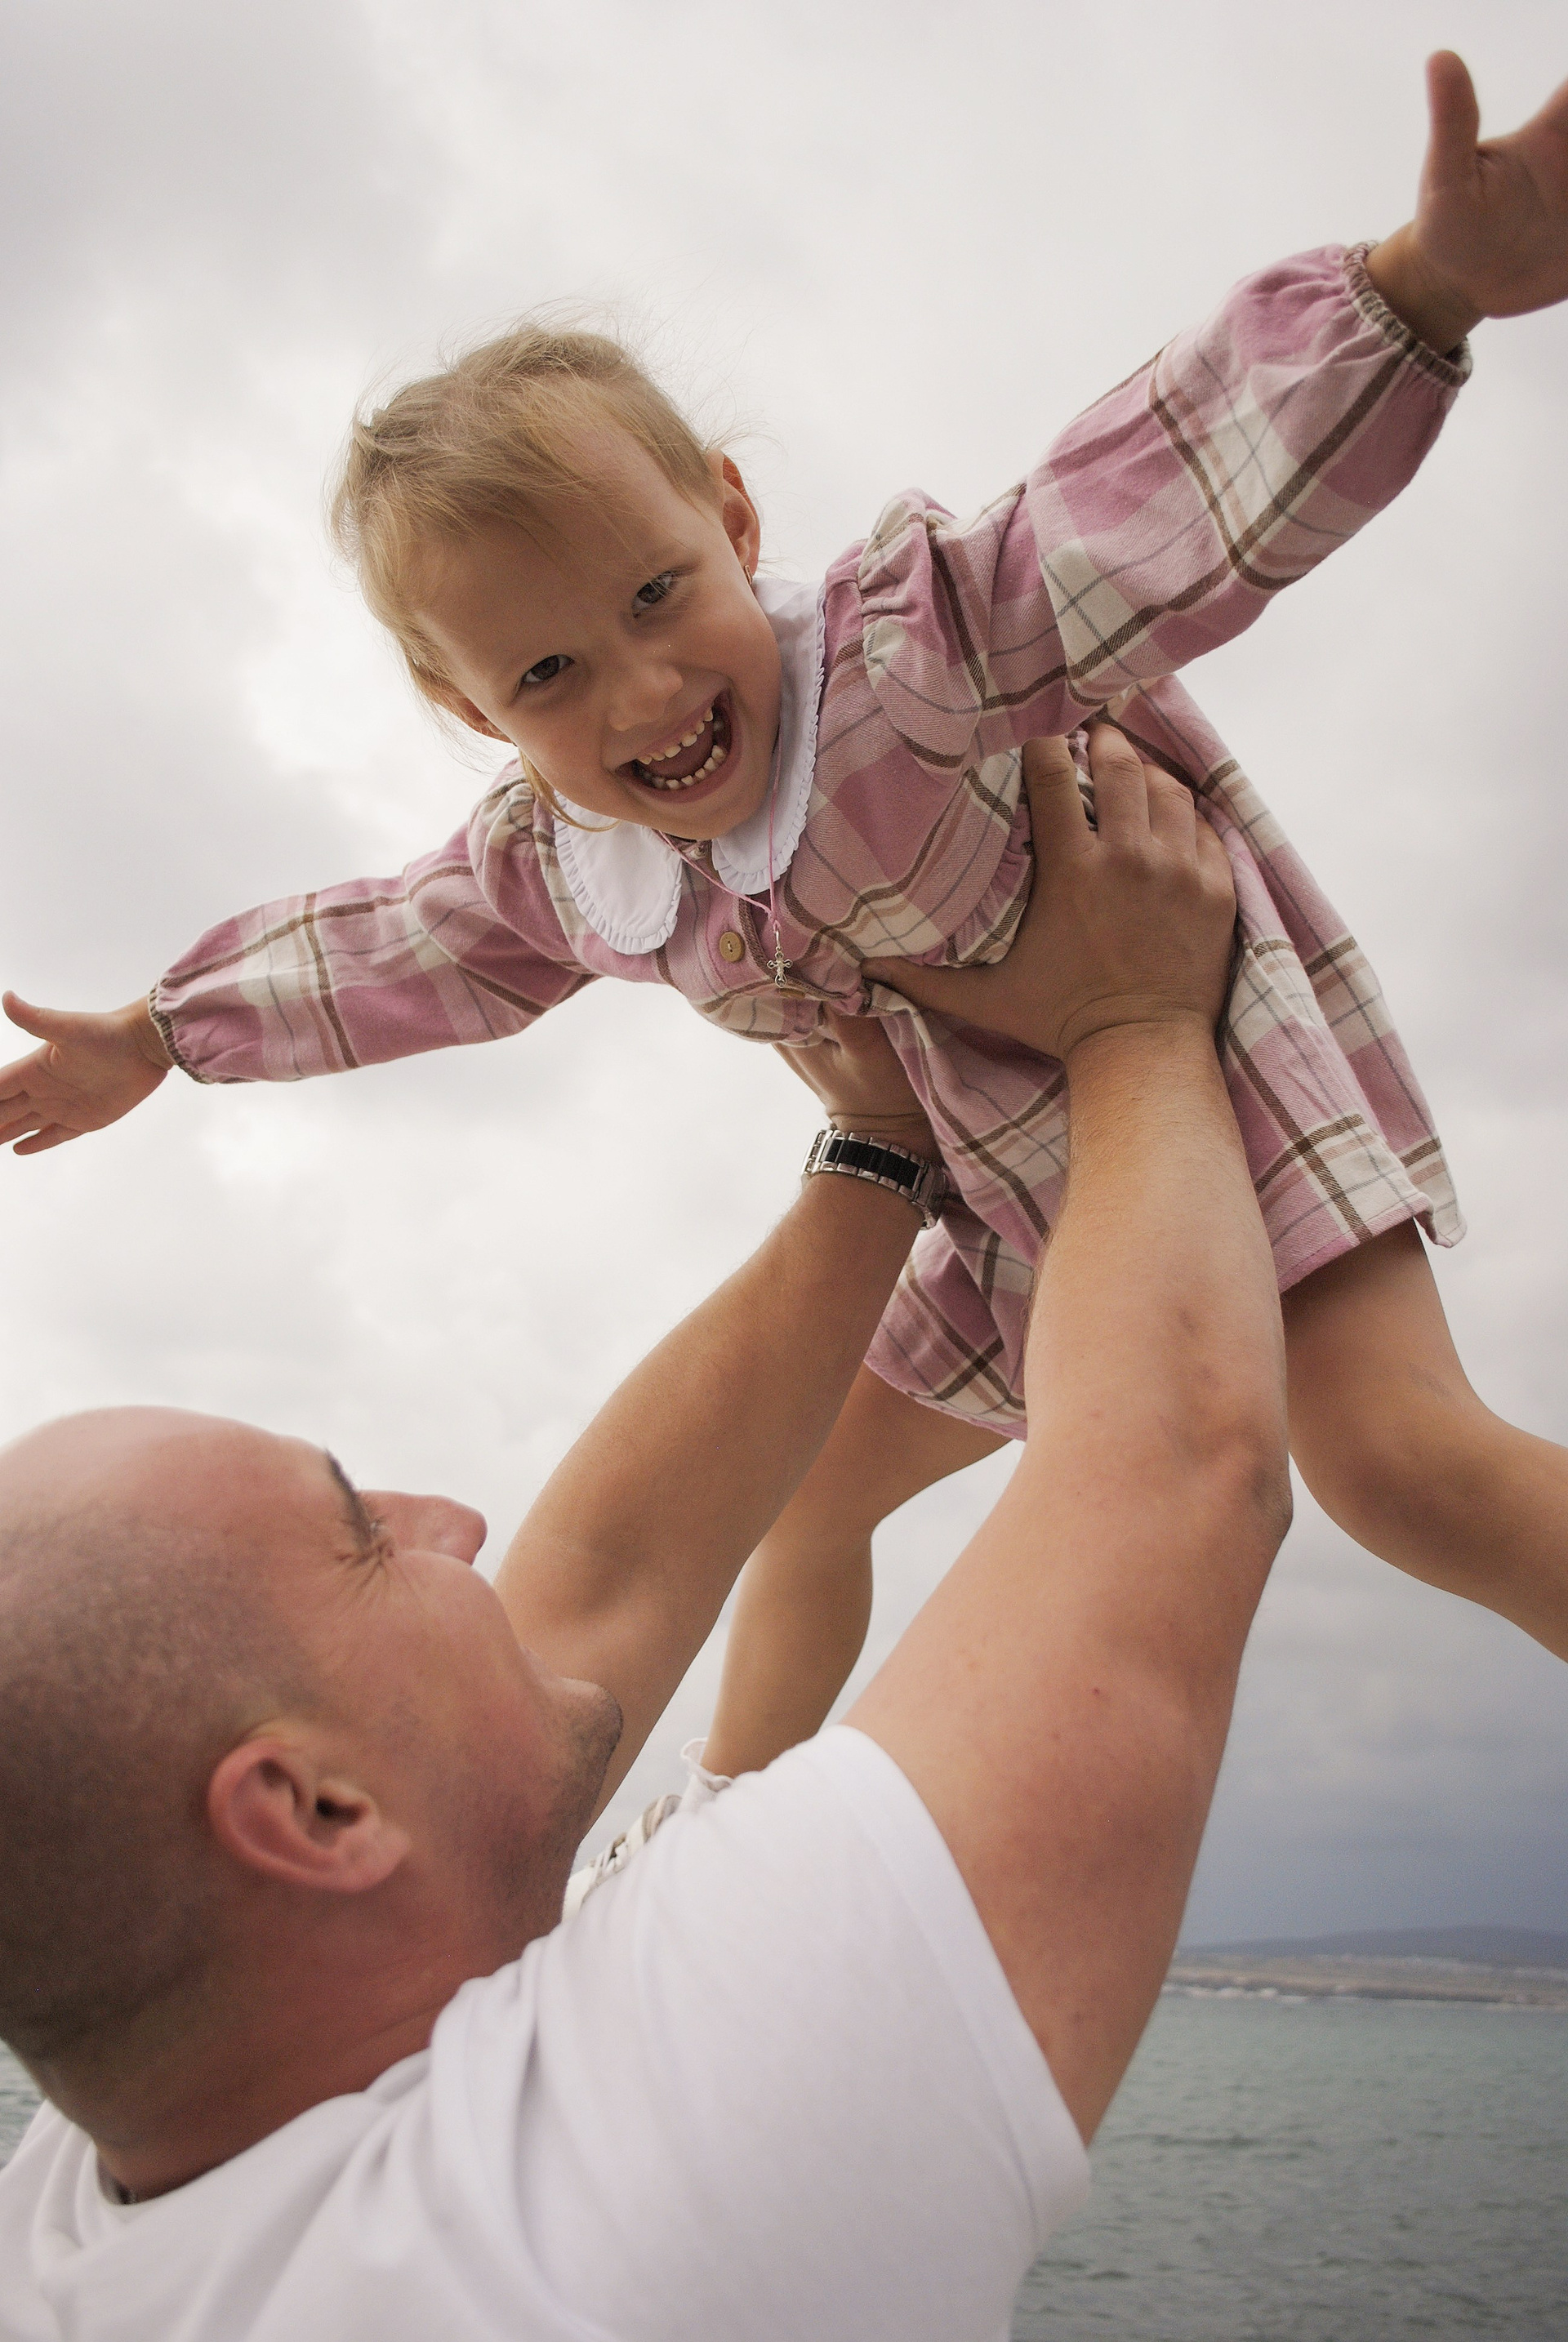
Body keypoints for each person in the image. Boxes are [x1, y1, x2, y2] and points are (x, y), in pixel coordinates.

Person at [5, 58, 1568, 1781]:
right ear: (473, 713)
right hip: (1003, 1210)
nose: (644, 692)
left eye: (657, 593)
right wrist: (163, 1033)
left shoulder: (910, 662)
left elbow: (1141, 517)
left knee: (1401, 1466)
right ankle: (720, 1819)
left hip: (1205, 1077)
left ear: (735, 519)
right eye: (548, 674)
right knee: (808, 1493)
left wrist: (1417, 296)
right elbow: (389, 949)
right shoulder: (565, 869)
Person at [0, 728, 1291, 2340]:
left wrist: (879, 1153)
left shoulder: (118, 2160)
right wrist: (1133, 1017)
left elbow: (603, 1584)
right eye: (363, 1538)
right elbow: (1171, 1471)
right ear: (314, 1813)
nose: (457, 1520)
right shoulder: (629, 2208)